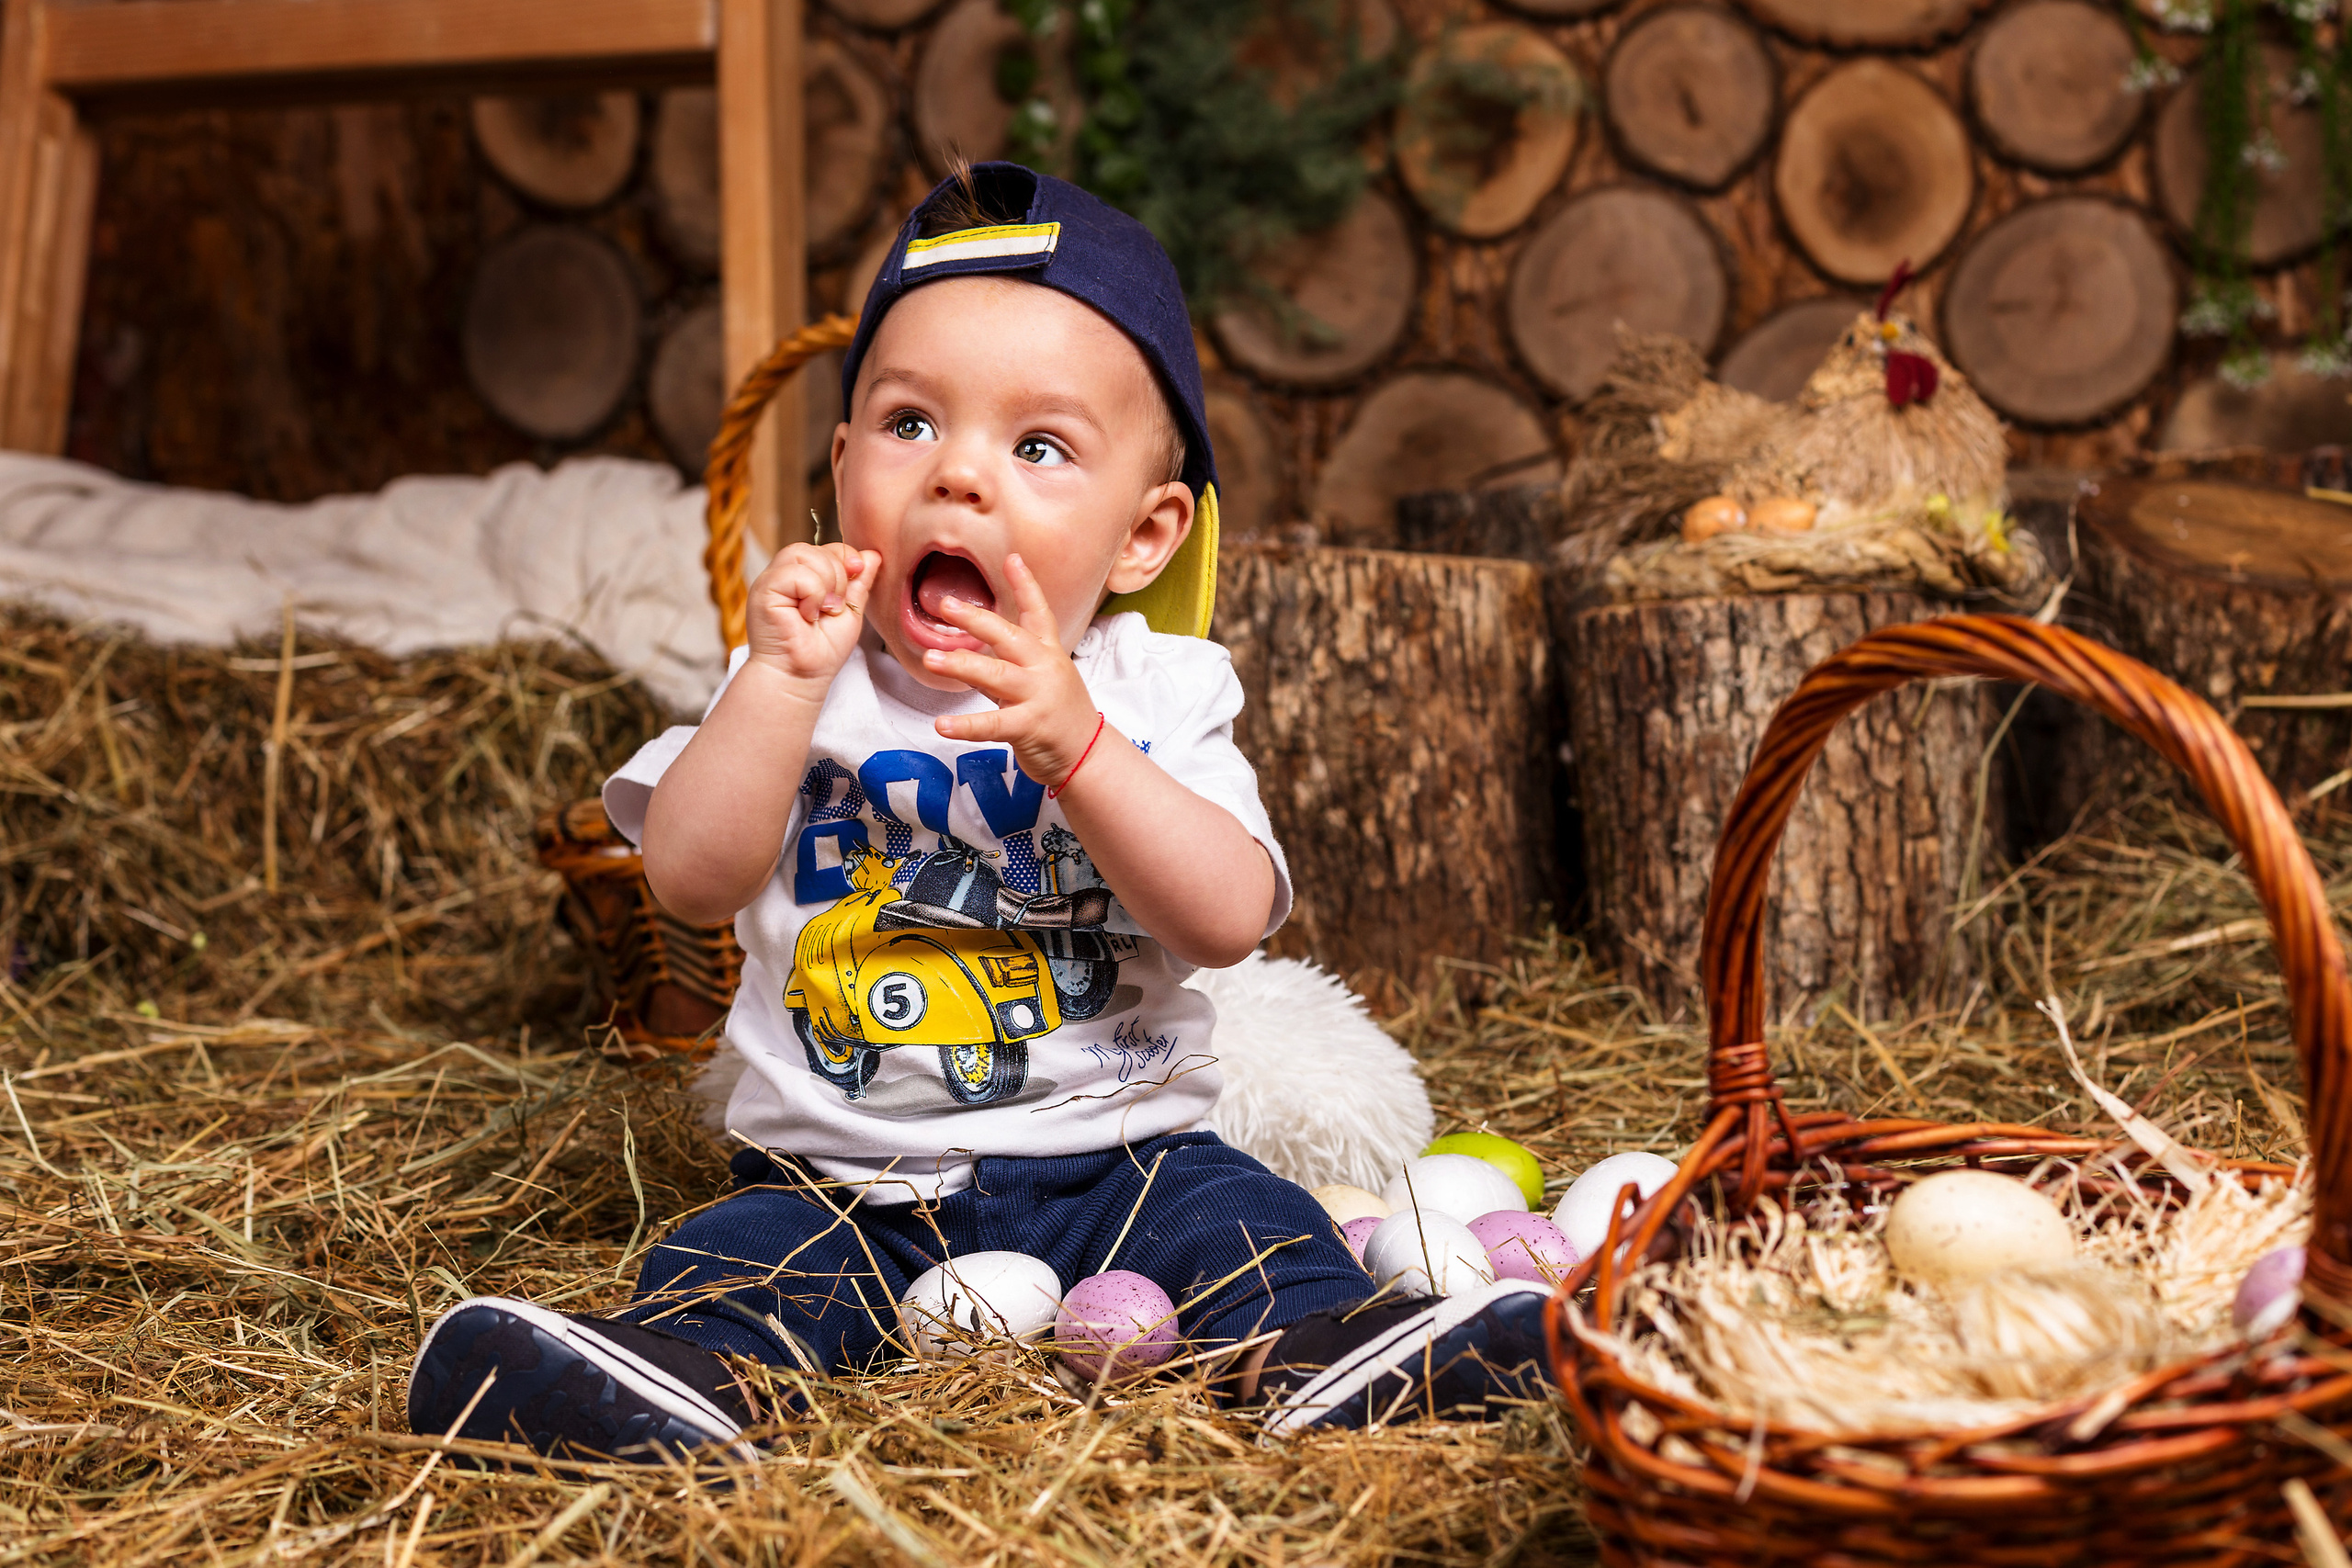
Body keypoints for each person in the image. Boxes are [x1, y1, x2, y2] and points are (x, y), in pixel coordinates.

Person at [405, 162, 1550, 1461]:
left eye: (1040, 446)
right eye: (907, 426)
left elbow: (1227, 918)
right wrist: (777, 685)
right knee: (734, 1268)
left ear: (1142, 536)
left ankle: (1333, 1359)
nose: (958, 477)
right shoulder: (794, 680)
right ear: (838, 473)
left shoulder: (1154, 690)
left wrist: (1081, 749)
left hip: (1121, 1161)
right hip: (836, 1184)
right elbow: (688, 878)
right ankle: (672, 1382)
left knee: (1256, 1233)